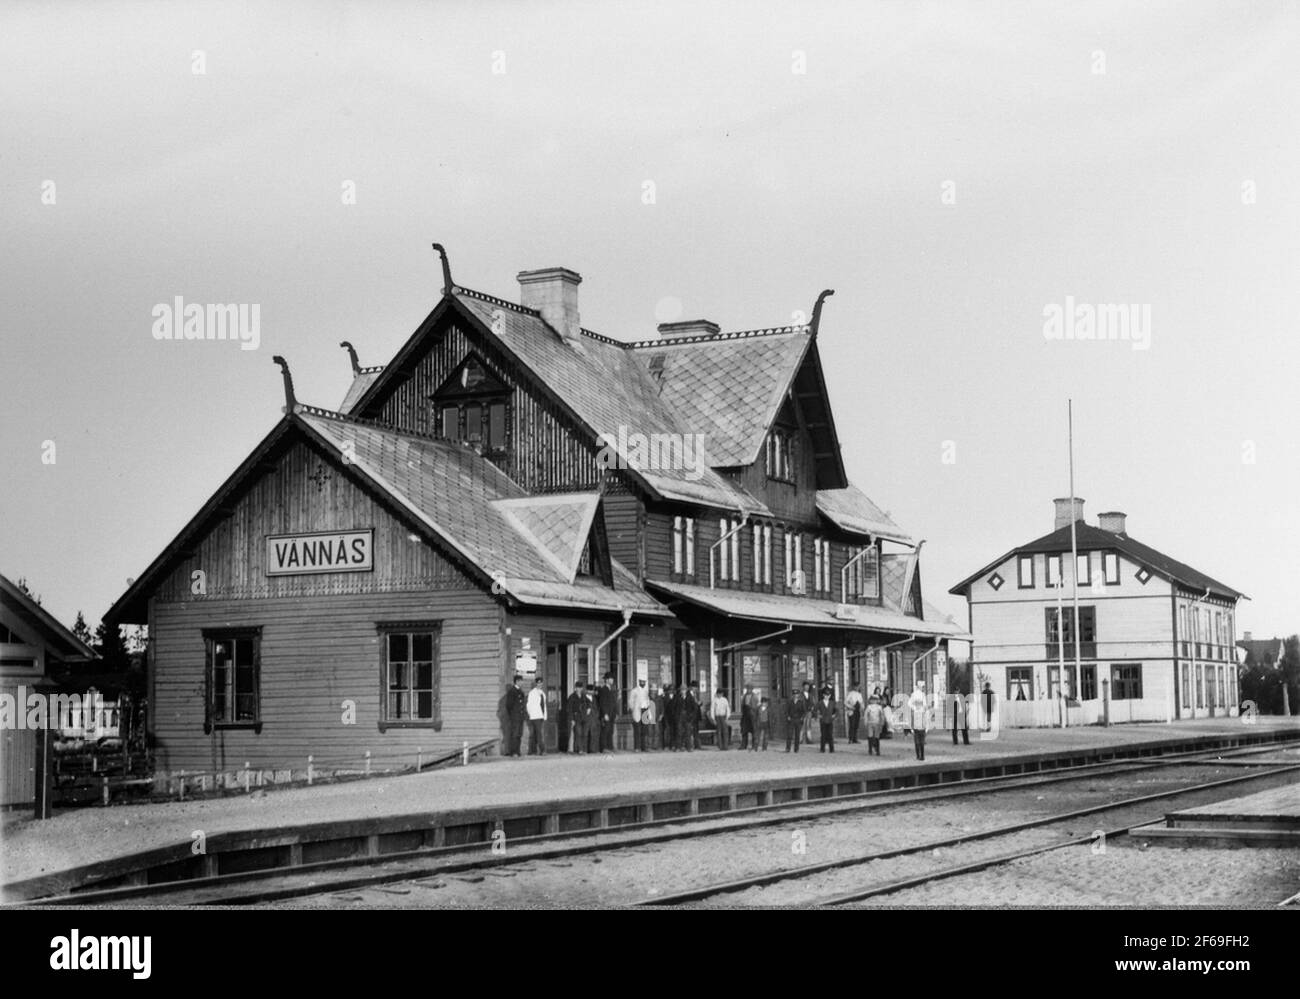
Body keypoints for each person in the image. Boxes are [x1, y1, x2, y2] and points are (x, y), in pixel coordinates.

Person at [567, 681, 593, 754]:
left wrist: (589, 709)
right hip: (576, 717)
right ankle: (580, 749)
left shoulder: (584, 696)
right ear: (575, 688)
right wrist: (572, 719)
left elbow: (589, 703)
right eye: (578, 687)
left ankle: (584, 749)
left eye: (581, 688)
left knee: (585, 733)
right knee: (578, 733)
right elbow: (569, 709)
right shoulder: (572, 697)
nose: (579, 689)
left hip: (584, 717)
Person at [907, 682, 930, 761]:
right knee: (920, 742)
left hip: (919, 726)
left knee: (918, 742)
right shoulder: (919, 695)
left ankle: (919, 756)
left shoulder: (919, 695)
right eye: (923, 687)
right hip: (919, 726)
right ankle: (921, 756)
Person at [505, 674, 526, 756]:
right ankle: (513, 752)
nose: (522, 683)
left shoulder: (520, 691)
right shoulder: (512, 691)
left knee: (519, 734)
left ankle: (517, 751)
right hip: (515, 717)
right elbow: (508, 705)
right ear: (517, 681)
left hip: (520, 717)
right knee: (514, 734)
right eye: (521, 681)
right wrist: (513, 715)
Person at [629, 677, 653, 751]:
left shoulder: (646, 691)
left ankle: (644, 747)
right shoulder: (634, 691)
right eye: (641, 682)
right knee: (637, 730)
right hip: (638, 711)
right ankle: (637, 747)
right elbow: (630, 701)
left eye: (644, 682)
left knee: (644, 730)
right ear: (639, 682)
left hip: (645, 710)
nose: (643, 683)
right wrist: (634, 709)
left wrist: (648, 711)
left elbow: (648, 701)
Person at [526, 676, 547, 755]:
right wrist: (531, 714)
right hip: (535, 716)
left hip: (540, 716)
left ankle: (532, 751)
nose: (539, 684)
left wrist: (544, 716)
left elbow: (543, 706)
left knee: (534, 733)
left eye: (541, 683)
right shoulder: (532, 693)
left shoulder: (542, 693)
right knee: (539, 733)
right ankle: (542, 750)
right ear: (536, 684)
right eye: (538, 683)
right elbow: (528, 705)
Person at [597, 673, 618, 753]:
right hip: (606, 714)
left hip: (612, 714)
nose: (612, 680)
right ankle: (604, 748)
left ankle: (610, 746)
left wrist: (615, 713)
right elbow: (602, 703)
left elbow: (614, 703)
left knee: (610, 730)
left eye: (612, 679)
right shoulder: (603, 690)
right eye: (611, 679)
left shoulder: (611, 690)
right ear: (606, 680)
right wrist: (605, 714)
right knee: (605, 730)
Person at [785, 685, 808, 752]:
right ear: (793, 695)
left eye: (797, 694)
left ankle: (796, 748)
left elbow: (804, 711)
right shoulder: (790, 702)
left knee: (797, 735)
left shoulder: (801, 702)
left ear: (798, 695)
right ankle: (788, 748)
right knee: (789, 735)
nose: (795, 695)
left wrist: (802, 718)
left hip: (798, 719)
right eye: (794, 694)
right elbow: (786, 710)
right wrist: (788, 716)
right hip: (791, 719)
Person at [680, 682, 701, 751]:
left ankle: (695, 745)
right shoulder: (688, 695)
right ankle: (687, 746)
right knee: (687, 731)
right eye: (696, 687)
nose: (697, 689)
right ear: (692, 687)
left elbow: (695, 706)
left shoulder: (695, 695)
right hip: (688, 716)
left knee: (694, 730)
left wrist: (699, 704)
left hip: (694, 716)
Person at [817, 683, 836, 753]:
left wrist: (834, 715)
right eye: (825, 695)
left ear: (830, 695)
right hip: (823, 720)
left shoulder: (832, 703)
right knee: (823, 735)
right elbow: (815, 710)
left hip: (830, 720)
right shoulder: (820, 703)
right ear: (823, 695)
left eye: (828, 695)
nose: (826, 696)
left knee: (830, 735)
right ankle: (822, 749)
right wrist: (818, 715)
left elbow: (835, 710)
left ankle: (832, 749)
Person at [661, 684, 677, 751]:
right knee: (666, 731)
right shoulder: (664, 698)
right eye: (670, 690)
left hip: (674, 716)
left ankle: (672, 745)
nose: (671, 691)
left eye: (673, 690)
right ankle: (666, 745)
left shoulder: (676, 697)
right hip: (666, 716)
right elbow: (663, 707)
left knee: (673, 731)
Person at [740, 685, 755, 750]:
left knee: (754, 730)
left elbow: (756, 707)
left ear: (752, 689)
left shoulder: (755, 697)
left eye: (750, 688)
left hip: (752, 715)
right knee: (744, 730)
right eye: (747, 688)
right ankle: (743, 745)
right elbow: (742, 705)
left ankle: (754, 745)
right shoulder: (744, 696)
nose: (748, 690)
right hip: (745, 714)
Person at [651, 685, 665, 750]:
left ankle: (655, 746)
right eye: (652, 690)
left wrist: (661, 715)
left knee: (657, 732)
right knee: (649, 732)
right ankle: (649, 745)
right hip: (649, 717)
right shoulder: (648, 697)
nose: (654, 691)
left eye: (655, 690)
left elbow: (662, 707)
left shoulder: (659, 698)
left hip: (657, 717)